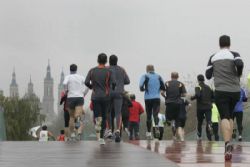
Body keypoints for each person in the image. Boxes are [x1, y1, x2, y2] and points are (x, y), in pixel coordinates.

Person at [205, 35, 244, 161]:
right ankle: (230, 139)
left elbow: (208, 75)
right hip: (235, 91)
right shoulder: (234, 54)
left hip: (221, 91)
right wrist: (238, 73)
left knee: (224, 117)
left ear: (219, 44)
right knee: (230, 115)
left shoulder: (213, 57)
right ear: (229, 43)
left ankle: (227, 143)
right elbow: (240, 63)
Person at [85, 53, 115, 145]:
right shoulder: (109, 71)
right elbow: (113, 83)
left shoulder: (92, 71)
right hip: (106, 97)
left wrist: (91, 87)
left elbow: (86, 82)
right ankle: (101, 138)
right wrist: (110, 89)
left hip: (95, 96)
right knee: (105, 116)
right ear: (106, 61)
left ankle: (97, 124)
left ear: (97, 60)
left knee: (98, 116)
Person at [107, 55, 130, 142]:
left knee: (108, 112)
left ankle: (109, 130)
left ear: (109, 61)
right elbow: (127, 81)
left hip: (108, 93)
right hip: (119, 93)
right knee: (118, 113)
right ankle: (117, 130)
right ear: (117, 61)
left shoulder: (106, 68)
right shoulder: (122, 69)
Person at [139, 65, 165, 140]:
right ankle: (156, 128)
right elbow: (163, 87)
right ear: (154, 69)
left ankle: (149, 133)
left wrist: (143, 89)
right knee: (155, 115)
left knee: (149, 115)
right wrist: (157, 89)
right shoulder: (159, 76)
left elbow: (141, 86)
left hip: (148, 98)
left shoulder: (145, 76)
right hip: (156, 98)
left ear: (147, 69)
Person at [63, 64, 87, 141]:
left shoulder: (68, 77)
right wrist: (84, 93)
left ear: (70, 70)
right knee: (78, 117)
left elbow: (64, 83)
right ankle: (78, 132)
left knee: (72, 117)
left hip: (70, 98)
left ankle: (73, 133)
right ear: (76, 69)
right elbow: (88, 84)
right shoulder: (81, 77)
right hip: (80, 97)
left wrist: (66, 91)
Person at [163, 72, 186, 140]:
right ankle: (181, 137)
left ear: (171, 76)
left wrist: (166, 97)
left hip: (169, 104)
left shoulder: (166, 83)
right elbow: (184, 94)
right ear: (178, 77)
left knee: (169, 118)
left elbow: (161, 92)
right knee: (178, 122)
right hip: (178, 104)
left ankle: (170, 125)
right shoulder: (181, 84)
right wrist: (179, 95)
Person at [191, 74, 214, 141]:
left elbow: (198, 95)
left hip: (200, 107)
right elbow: (213, 97)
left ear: (198, 80)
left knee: (200, 122)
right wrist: (210, 101)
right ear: (203, 79)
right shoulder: (209, 87)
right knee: (209, 121)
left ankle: (199, 136)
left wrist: (192, 98)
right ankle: (209, 127)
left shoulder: (198, 87)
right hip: (208, 106)